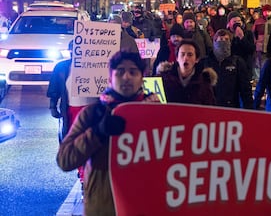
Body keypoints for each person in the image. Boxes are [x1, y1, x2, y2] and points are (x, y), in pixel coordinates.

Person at [56, 50, 160, 215]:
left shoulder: (158, 114)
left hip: (145, 204)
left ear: (142, 78)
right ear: (110, 77)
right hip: (104, 207)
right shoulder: (92, 114)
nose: (126, 77)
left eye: (133, 72)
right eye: (120, 71)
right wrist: (97, 133)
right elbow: (65, 160)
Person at [201, 29, 253, 109]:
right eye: (221, 39)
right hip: (209, 108)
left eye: (226, 40)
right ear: (215, 41)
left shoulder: (237, 62)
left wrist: (248, 109)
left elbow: (245, 89)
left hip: (231, 108)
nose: (223, 42)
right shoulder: (205, 62)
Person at [157, 39, 216, 105]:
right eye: (182, 54)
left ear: (196, 59)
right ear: (177, 58)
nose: (185, 58)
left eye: (190, 55)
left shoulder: (204, 83)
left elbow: (209, 108)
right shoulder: (164, 79)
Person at [227, 10, 256, 80]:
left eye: (238, 21)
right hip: (231, 66)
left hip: (245, 66)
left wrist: (242, 38)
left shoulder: (248, 33)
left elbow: (251, 49)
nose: (237, 23)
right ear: (229, 23)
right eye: (234, 21)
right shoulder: (226, 34)